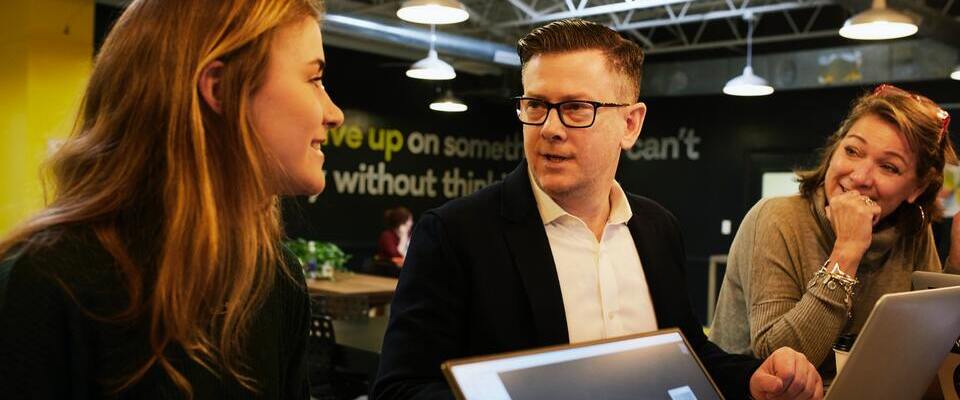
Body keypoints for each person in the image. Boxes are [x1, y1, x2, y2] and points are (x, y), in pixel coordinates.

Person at [373, 19, 822, 400]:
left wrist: (752, 378)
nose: (549, 128)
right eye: (535, 105)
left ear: (630, 124)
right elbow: (400, 389)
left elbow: (687, 353)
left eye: (575, 108)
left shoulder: (657, 228)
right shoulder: (455, 235)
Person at [0, 0, 343, 398]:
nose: (334, 113)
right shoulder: (46, 283)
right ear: (220, 89)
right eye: (314, 79)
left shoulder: (276, 278)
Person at [710, 84, 958, 371]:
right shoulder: (776, 218)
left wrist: (956, 268)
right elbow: (776, 361)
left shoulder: (912, 228)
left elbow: (926, 348)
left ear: (917, 187)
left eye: (889, 167)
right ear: (835, 149)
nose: (860, 176)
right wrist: (847, 251)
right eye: (852, 151)